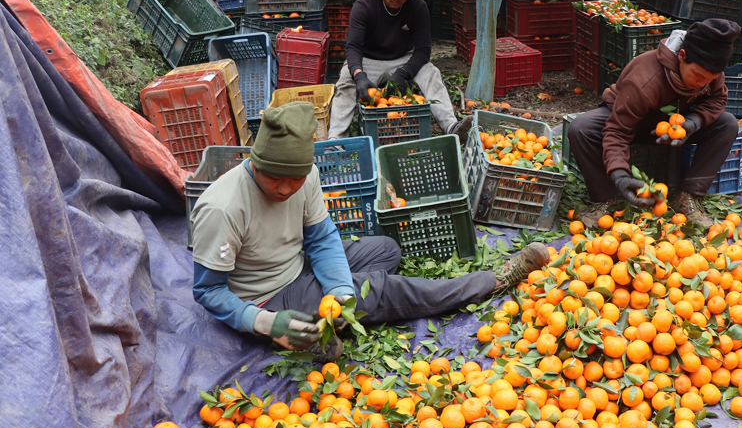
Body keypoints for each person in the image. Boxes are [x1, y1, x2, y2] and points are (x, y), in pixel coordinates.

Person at [191, 102, 548, 360]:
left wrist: (341, 290)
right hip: (267, 294)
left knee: (386, 250)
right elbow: (208, 291)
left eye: (294, 180)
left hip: (297, 263)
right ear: (255, 163)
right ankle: (491, 281)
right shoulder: (224, 206)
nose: (285, 189)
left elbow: (321, 237)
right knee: (383, 288)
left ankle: (329, 321)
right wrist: (265, 322)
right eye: (274, 178)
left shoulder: (308, 176)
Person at [567, 19, 742, 228]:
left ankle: (687, 196)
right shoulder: (645, 80)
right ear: (682, 56)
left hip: (674, 124)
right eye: (698, 76)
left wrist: (693, 123)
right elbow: (617, 131)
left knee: (728, 124)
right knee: (581, 128)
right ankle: (605, 200)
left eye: (709, 79)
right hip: (630, 119)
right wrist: (620, 176)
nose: (702, 83)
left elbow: (717, 100)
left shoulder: (710, 73)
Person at [328, 0, 473, 142]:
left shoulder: (418, 8)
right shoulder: (364, 7)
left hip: (403, 58)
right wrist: (359, 75)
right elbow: (353, 46)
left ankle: (451, 126)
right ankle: (335, 140)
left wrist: (404, 72)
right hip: (369, 59)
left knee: (431, 73)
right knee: (346, 82)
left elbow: (423, 50)